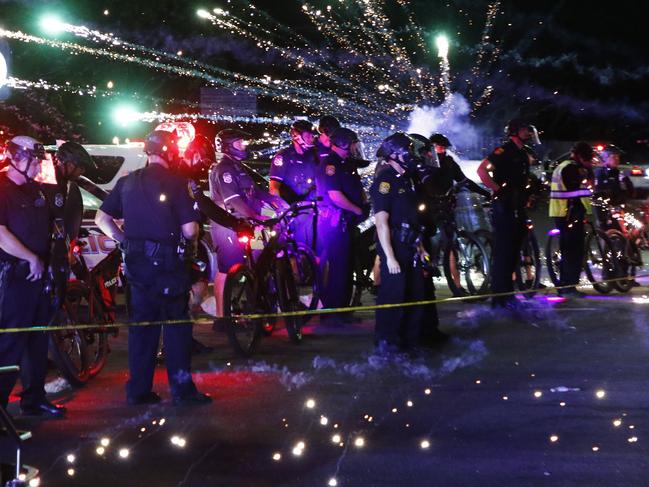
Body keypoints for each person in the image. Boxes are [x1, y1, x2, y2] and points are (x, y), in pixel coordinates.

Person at [95, 130, 211, 406]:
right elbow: (191, 229)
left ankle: (138, 391)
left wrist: (124, 241)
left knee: (142, 329)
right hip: (169, 266)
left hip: (137, 266)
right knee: (176, 328)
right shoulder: (176, 183)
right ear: (170, 152)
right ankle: (182, 391)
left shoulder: (127, 182)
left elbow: (102, 218)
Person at [0, 136, 65, 417]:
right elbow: (0, 234)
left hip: (38, 276)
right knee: (9, 345)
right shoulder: (2, 189)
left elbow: (48, 227)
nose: (37, 164)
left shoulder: (35, 191)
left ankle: (34, 399)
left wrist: (49, 260)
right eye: (32, 158)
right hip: (13, 279)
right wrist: (30, 258)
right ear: (15, 157)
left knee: (37, 341)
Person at [371, 133, 435, 355]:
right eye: (406, 151)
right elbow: (381, 222)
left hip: (411, 246)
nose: (410, 155)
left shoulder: (406, 179)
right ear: (393, 155)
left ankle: (410, 343)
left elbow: (413, 219)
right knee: (393, 297)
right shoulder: (384, 181)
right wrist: (389, 257)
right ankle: (387, 346)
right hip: (395, 247)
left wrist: (421, 248)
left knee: (415, 295)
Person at [210, 129, 284, 319]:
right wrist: (256, 216)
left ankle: (258, 303)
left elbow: (257, 193)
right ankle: (222, 317)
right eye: (239, 143)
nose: (243, 146)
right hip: (229, 227)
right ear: (227, 146)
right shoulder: (224, 169)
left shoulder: (239, 167)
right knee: (228, 269)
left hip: (251, 225)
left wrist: (279, 205)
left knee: (260, 260)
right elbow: (234, 201)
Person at [477, 119, 540, 309]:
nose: (528, 133)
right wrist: (497, 190)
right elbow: (482, 171)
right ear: (515, 131)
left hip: (518, 207)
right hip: (504, 207)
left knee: (514, 252)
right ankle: (499, 298)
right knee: (504, 252)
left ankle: (508, 294)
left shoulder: (523, 153)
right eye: (524, 129)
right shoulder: (503, 151)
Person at [315, 127, 367, 324]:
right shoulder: (331, 164)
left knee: (346, 267)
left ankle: (342, 309)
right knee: (339, 267)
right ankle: (334, 312)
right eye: (353, 143)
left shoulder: (346, 164)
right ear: (344, 144)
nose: (355, 147)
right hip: (335, 223)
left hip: (345, 222)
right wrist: (358, 210)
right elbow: (335, 196)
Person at [549, 141, 595, 298]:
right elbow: (575, 191)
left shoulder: (565, 166)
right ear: (581, 157)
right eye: (588, 159)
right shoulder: (571, 169)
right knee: (573, 251)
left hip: (564, 213)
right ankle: (568, 287)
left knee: (569, 250)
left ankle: (566, 286)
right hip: (569, 213)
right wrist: (587, 172)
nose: (590, 163)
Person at [269, 120, 319, 248]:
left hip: (315, 208)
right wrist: (285, 212)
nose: (311, 138)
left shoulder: (313, 155)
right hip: (296, 211)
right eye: (308, 135)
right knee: (300, 247)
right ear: (296, 135)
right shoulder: (283, 156)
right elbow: (274, 189)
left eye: (312, 136)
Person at [593, 145, 634, 229]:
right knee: (607, 233)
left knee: (625, 231)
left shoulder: (619, 173)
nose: (617, 159)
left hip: (620, 208)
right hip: (606, 211)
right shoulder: (600, 173)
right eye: (614, 157)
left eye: (618, 157)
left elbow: (629, 188)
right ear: (606, 158)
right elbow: (598, 192)